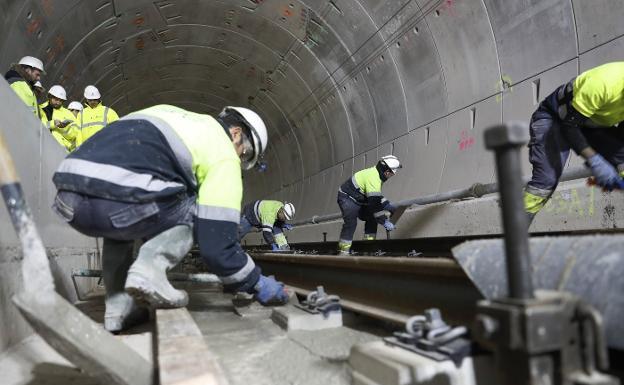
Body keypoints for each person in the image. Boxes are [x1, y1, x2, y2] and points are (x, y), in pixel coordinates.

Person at [51, 104, 289, 332]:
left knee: (123, 225)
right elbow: (217, 245)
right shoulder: (223, 152)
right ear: (236, 134)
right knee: (201, 207)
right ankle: (150, 270)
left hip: (70, 194)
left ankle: (118, 309)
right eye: (244, 154)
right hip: (118, 196)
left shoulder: (172, 115)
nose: (239, 160)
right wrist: (256, 282)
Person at [524, 62, 624, 224]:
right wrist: (594, 159)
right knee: (546, 180)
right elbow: (569, 127)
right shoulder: (604, 83)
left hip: (593, 124)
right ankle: (515, 233)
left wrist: (614, 160)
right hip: (555, 118)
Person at [336, 155, 401, 255]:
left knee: (372, 218)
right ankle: (343, 251)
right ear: (387, 172)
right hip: (347, 197)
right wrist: (384, 222)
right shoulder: (373, 178)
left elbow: (375, 195)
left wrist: (388, 205)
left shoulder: (377, 174)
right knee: (351, 223)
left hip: (360, 199)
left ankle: (368, 247)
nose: (391, 176)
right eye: (392, 174)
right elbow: (375, 206)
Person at [41, 85, 80, 151]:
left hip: (62, 150)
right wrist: (53, 123)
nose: (58, 102)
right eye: (56, 99)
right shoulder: (41, 109)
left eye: (61, 100)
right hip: (43, 146)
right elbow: (38, 125)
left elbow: (75, 135)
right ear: (50, 96)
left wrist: (64, 127)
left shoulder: (68, 113)